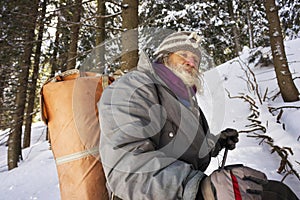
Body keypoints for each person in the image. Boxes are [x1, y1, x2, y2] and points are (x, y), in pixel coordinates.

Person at [98, 31, 267, 200]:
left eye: (196, 59)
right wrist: (202, 189)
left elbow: (187, 145)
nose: (191, 62)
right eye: (184, 54)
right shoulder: (134, 87)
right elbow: (126, 168)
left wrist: (216, 142)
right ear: (164, 57)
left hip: (182, 193)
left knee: (275, 192)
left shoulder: (186, 99)